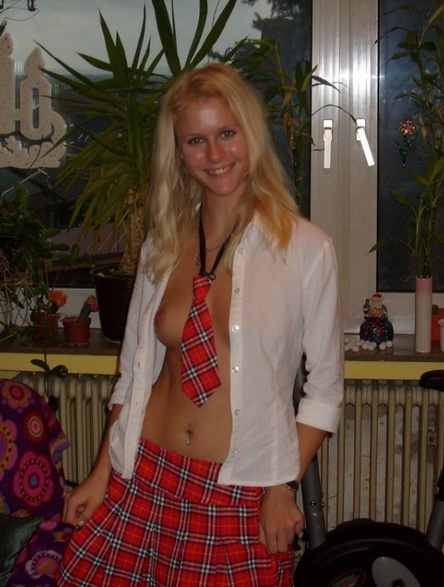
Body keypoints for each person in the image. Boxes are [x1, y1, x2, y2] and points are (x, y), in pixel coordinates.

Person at [56, 62, 343, 587]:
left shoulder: (306, 249)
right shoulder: (161, 246)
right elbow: (134, 376)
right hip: (144, 476)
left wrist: (282, 485)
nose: (214, 154)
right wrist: (100, 473)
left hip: (240, 491)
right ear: (179, 152)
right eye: (196, 140)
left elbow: (324, 391)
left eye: (226, 134)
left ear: (250, 135)